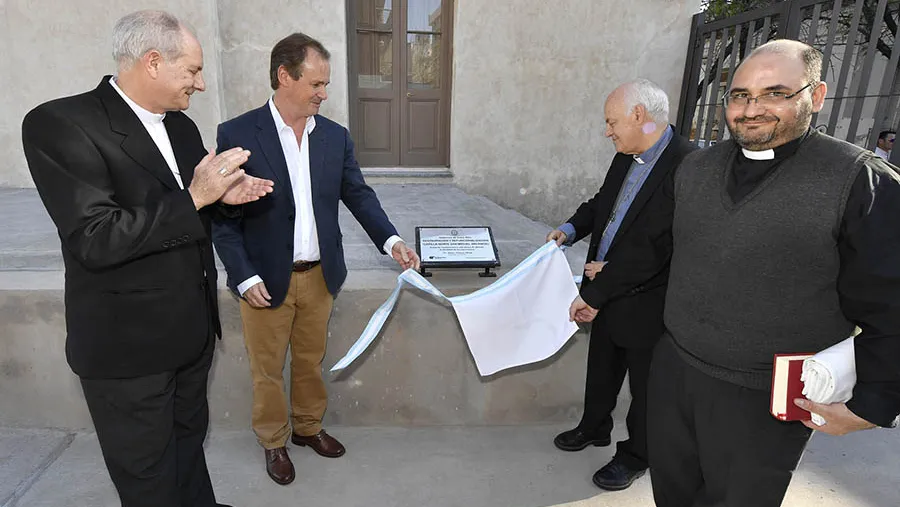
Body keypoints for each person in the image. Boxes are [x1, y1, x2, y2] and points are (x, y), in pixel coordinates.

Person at [20, 10, 273, 507]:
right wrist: (198, 197)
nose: (200, 85)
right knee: (149, 479)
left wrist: (224, 198)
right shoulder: (60, 124)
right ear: (153, 62)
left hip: (189, 338)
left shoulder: (178, 127)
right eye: (193, 72)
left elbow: (183, 212)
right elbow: (96, 237)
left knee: (187, 451)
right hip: (128, 352)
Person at [646, 39, 900, 507]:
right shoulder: (694, 169)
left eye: (775, 93)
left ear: (816, 95)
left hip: (764, 396)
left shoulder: (861, 180)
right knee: (673, 494)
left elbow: (891, 302)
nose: (751, 109)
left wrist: (873, 404)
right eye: (740, 94)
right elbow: (663, 254)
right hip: (675, 373)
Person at [212, 32, 420, 486]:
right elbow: (222, 220)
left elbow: (358, 196)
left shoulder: (334, 137)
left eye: (326, 85)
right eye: (317, 84)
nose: (324, 94)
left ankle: (307, 428)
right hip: (264, 281)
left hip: (321, 276)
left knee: (310, 360)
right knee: (267, 370)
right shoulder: (238, 133)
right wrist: (243, 276)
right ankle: (273, 441)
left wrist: (392, 242)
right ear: (284, 76)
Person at [550, 79, 696, 491]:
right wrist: (570, 229)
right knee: (602, 367)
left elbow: (657, 247)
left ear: (638, 116)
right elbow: (603, 205)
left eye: (612, 122)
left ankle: (635, 456)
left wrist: (600, 285)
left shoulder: (687, 165)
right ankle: (593, 427)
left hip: (648, 299)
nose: (608, 131)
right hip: (607, 287)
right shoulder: (626, 154)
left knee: (646, 389)